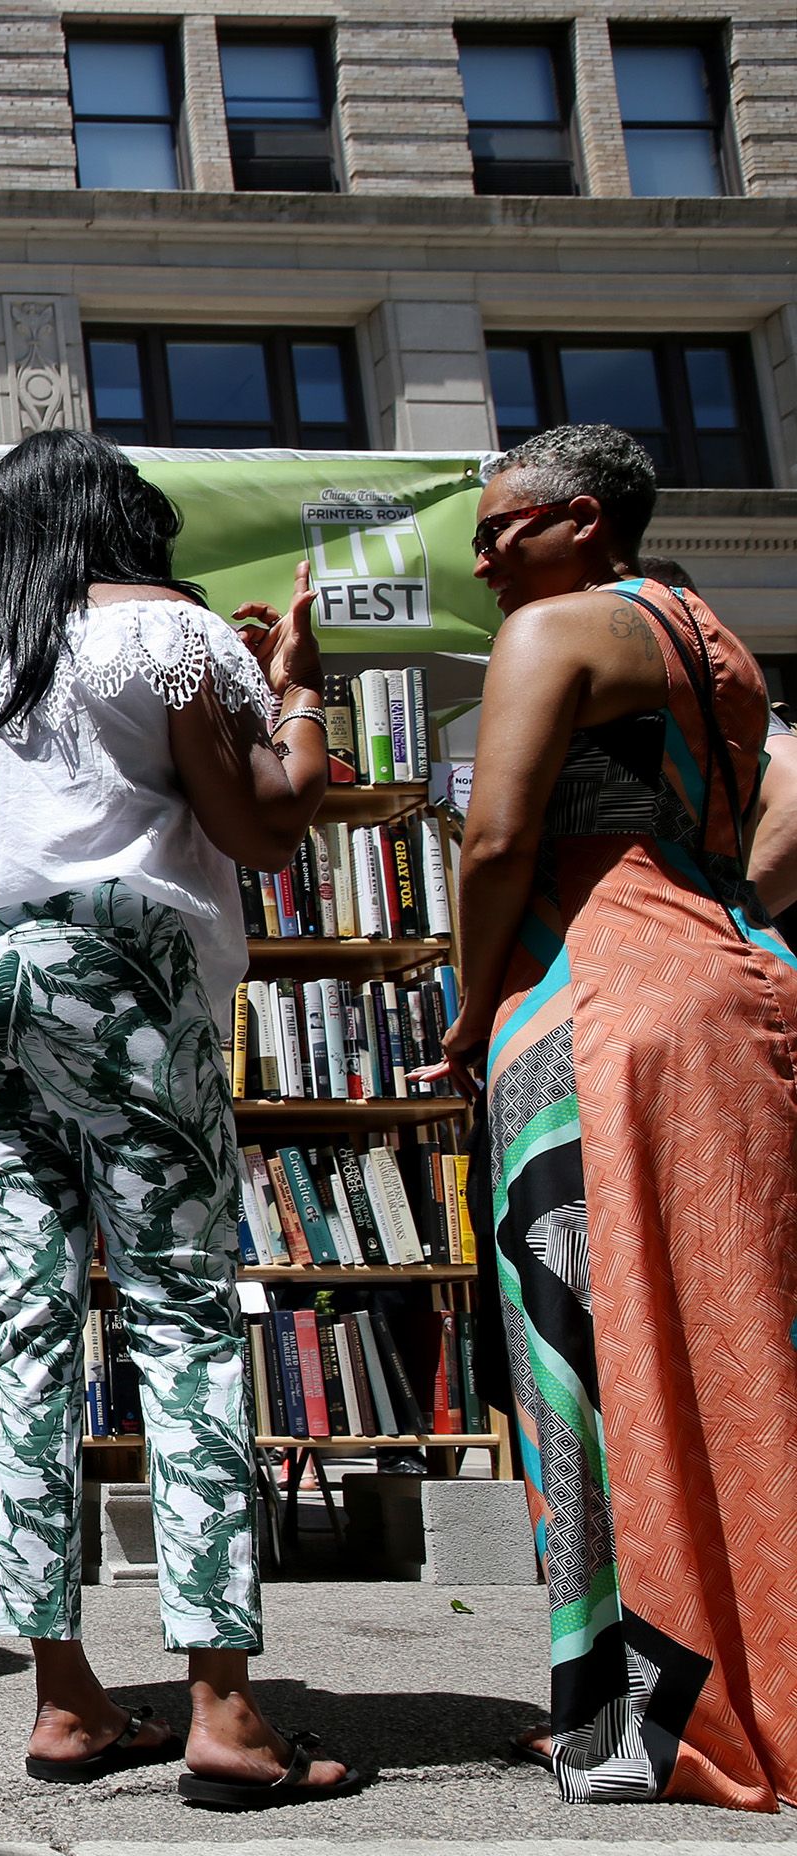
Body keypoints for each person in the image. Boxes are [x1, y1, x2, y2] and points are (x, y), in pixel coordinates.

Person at [0, 429, 364, 1807]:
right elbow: (262, 830)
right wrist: (299, 695)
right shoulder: (160, 632)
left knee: (27, 1325)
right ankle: (225, 1709)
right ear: (121, 527)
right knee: (178, 1313)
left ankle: (64, 1699)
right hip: (120, 967)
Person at [445, 424, 797, 1809]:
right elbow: (772, 845)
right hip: (736, 984)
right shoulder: (720, 644)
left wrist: (471, 1008)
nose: (483, 562)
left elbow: (494, 842)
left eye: (502, 532)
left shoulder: (562, 631)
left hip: (599, 996)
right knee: (740, 1338)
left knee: (596, 1350)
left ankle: (636, 1717)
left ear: (584, 521)